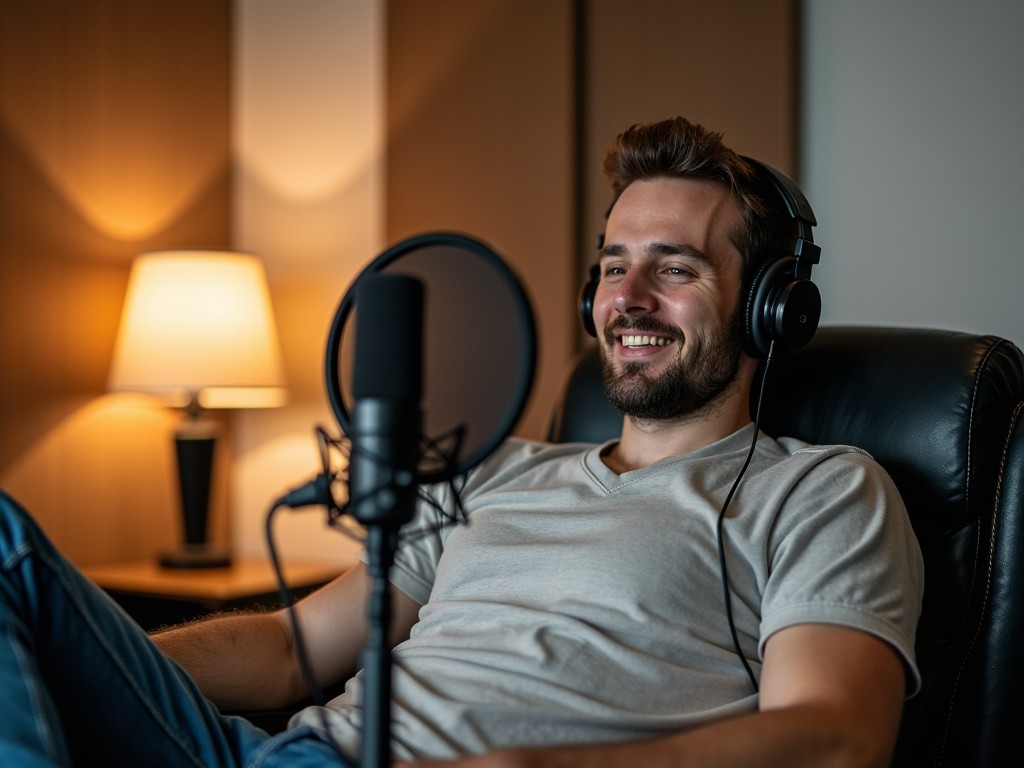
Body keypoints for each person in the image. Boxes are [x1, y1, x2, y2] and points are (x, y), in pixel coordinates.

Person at [0, 116, 923, 768]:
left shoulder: (824, 491)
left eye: (674, 269)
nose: (627, 299)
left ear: (772, 307)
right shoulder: (496, 466)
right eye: (612, 267)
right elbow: (292, 648)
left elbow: (834, 737)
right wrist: (89, 661)